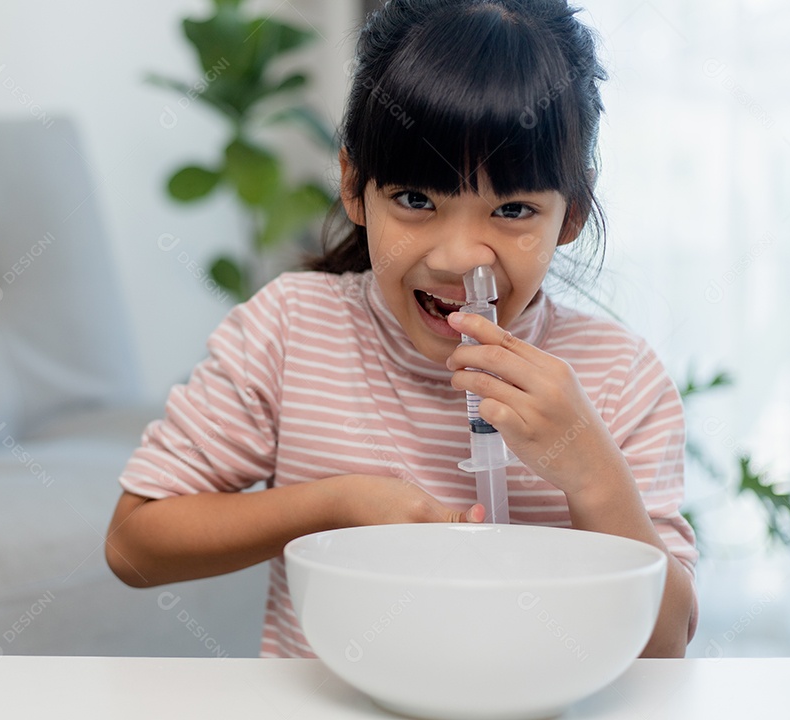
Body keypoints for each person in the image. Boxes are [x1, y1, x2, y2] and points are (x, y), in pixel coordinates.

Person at [107, 0, 697, 658]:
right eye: (417, 200)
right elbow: (135, 546)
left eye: (512, 208)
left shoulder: (618, 377)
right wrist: (337, 506)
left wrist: (592, 473)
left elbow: (666, 643)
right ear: (355, 187)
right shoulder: (289, 332)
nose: (458, 257)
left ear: (571, 214)